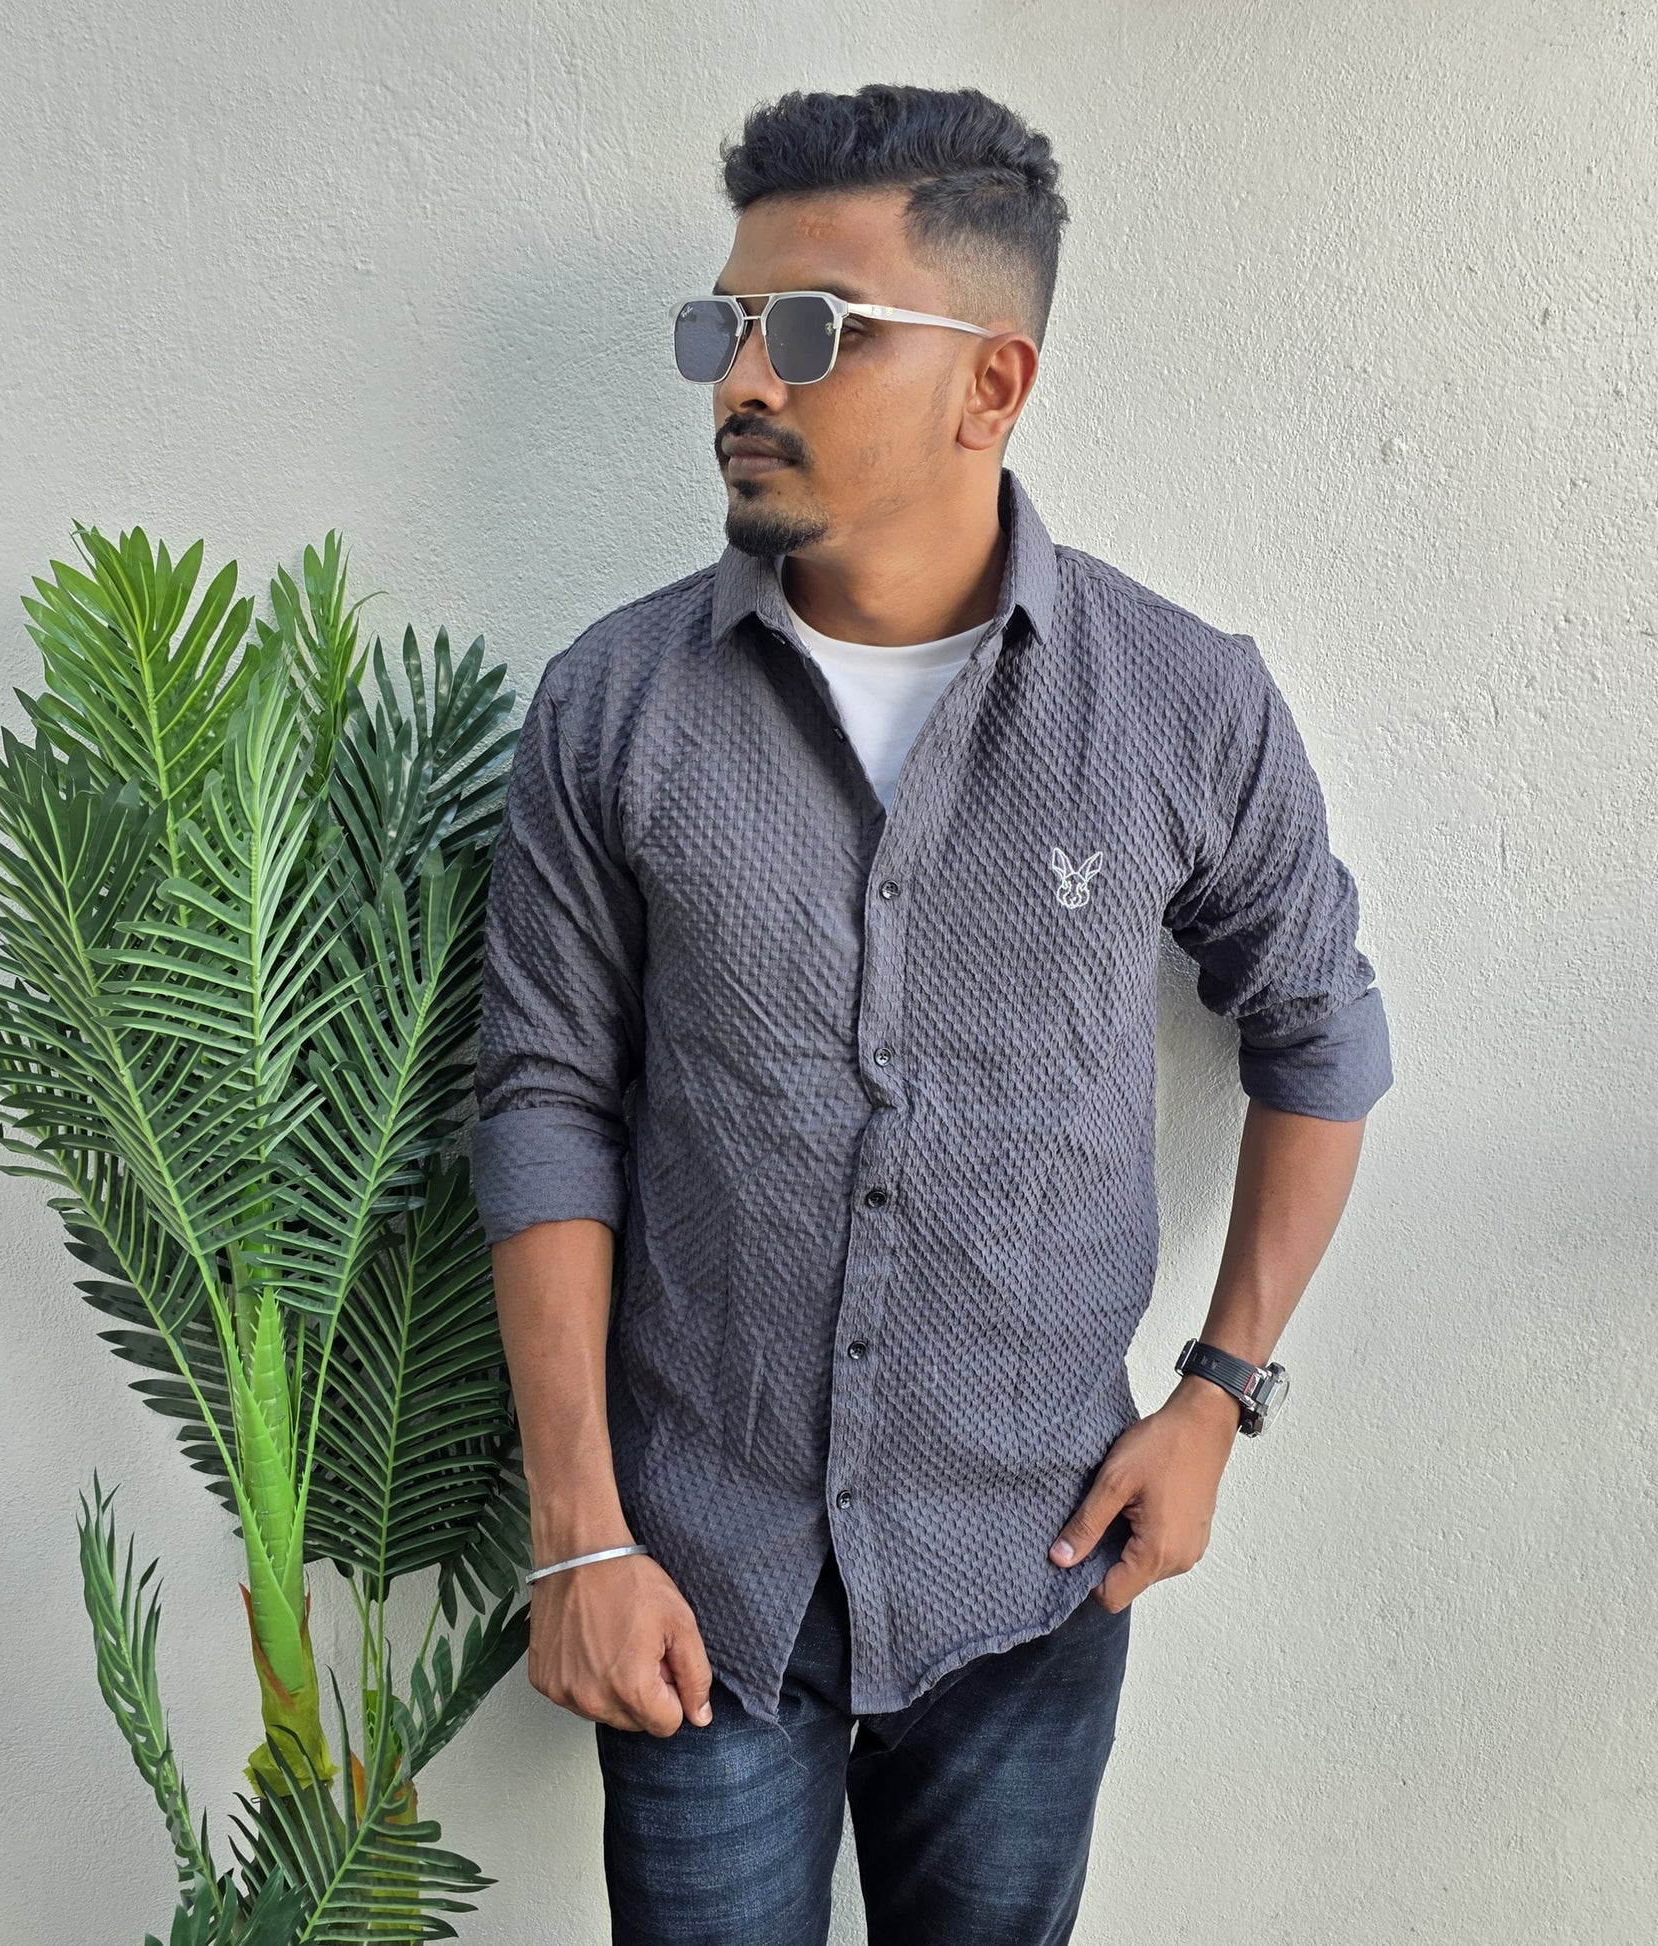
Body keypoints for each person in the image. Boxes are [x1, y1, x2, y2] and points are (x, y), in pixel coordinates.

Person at [468, 81, 1393, 1946]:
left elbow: (1319, 1031)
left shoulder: (1179, 702)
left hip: (1025, 1574)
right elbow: (543, 1099)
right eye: (726, 325)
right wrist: (579, 1529)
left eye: (813, 330)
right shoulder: (613, 706)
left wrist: (1218, 1395)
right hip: (693, 1586)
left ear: (993, 383)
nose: (745, 379)